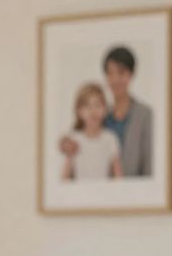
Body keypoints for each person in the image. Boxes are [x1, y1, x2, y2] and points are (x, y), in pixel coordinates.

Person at [59, 45, 152, 177]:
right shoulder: (99, 116)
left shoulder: (145, 115)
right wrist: (64, 143)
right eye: (110, 73)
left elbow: (149, 163)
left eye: (121, 73)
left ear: (131, 74)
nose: (115, 79)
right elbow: (76, 136)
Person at [61, 82, 122, 180]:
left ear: (105, 109)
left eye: (98, 105)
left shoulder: (110, 138)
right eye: (87, 106)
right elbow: (65, 176)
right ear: (79, 111)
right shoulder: (74, 139)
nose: (93, 111)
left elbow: (118, 174)